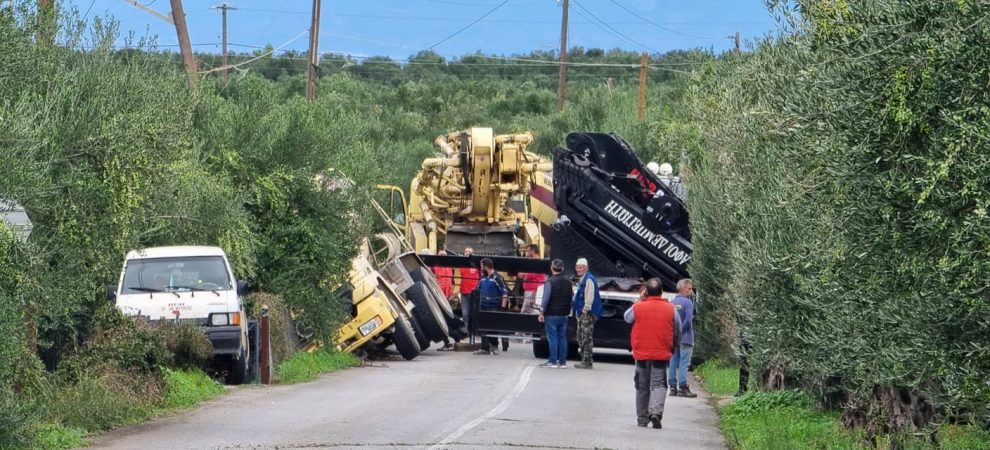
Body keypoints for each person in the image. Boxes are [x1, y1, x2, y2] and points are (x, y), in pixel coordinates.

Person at [625, 278, 682, 429]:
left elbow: (627, 317)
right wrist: (674, 346)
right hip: (661, 353)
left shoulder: (639, 307)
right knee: (658, 384)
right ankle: (656, 413)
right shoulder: (671, 309)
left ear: (646, 292)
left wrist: (640, 300)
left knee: (642, 386)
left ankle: (642, 419)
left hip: (641, 353)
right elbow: (678, 328)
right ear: (662, 291)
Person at [537, 259, 572, 368]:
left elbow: (546, 298)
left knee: (552, 338)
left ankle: (552, 361)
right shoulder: (568, 282)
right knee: (562, 338)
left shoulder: (550, 282)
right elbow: (571, 297)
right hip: (564, 314)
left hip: (551, 314)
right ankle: (562, 362)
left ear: (552, 268)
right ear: (562, 269)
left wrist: (541, 312)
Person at [668, 278, 698, 398]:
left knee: (673, 361)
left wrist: (674, 334)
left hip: (674, 339)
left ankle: (672, 388)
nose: (691, 291)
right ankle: (683, 387)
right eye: (689, 288)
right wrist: (680, 332)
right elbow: (688, 321)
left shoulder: (671, 303)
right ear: (682, 289)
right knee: (684, 363)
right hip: (686, 338)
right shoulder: (688, 303)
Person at [473, 258, 510, 355]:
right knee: (483, 328)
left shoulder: (497, 278)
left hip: (494, 306)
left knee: (492, 328)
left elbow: (504, 291)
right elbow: (477, 290)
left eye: (481, 266)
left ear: (486, 266)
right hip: (483, 306)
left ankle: (494, 346)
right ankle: (484, 348)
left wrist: (502, 306)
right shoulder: (482, 278)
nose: (481, 268)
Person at [572, 258, 602, 369]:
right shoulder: (583, 279)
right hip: (582, 313)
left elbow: (589, 296)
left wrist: (586, 310)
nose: (578, 269)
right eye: (577, 267)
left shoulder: (589, 280)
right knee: (581, 337)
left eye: (581, 267)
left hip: (587, 314)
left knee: (586, 338)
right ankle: (584, 360)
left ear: (586, 268)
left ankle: (587, 361)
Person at [432, 249, 458, 351]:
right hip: (439, 297)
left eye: (444, 255)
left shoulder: (449, 266)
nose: (443, 257)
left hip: (446, 298)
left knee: (447, 319)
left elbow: (451, 281)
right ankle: (447, 342)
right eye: (441, 255)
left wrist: (451, 294)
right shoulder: (434, 267)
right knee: (441, 320)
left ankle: (451, 341)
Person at [458, 247, 480, 340]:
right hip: (464, 292)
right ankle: (467, 330)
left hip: (473, 293)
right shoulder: (462, 264)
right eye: (466, 252)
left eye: (469, 252)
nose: (467, 253)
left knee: (474, 313)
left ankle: (474, 331)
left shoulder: (476, 265)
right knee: (465, 313)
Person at [519, 244, 546, 315]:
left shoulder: (537, 262)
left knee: (525, 312)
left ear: (532, 251)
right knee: (532, 311)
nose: (527, 253)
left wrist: (524, 273)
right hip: (531, 292)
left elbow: (529, 276)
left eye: (528, 251)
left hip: (532, 292)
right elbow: (521, 275)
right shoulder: (533, 262)